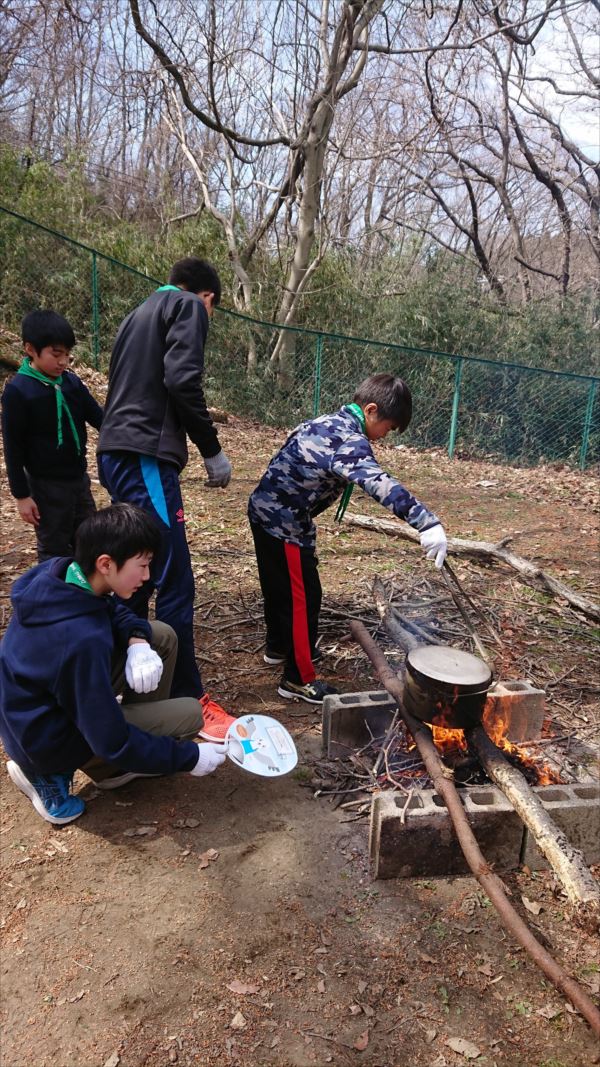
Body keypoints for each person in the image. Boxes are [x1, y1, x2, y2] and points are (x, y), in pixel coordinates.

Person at [0, 504, 227, 826]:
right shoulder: (79, 640)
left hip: (32, 711)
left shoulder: (63, 573)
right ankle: (48, 774)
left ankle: (117, 764)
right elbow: (110, 738)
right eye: (142, 566)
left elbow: (108, 610)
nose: (147, 577)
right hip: (43, 738)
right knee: (189, 713)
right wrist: (189, 757)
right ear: (106, 563)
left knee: (158, 636)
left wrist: (136, 642)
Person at [248, 373, 448, 705]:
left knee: (278, 585)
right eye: (389, 426)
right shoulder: (348, 441)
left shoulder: (325, 422)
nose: (386, 435)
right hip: (286, 525)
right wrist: (426, 523)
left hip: (263, 510)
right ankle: (298, 679)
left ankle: (278, 647)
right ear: (371, 410)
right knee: (304, 599)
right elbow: (380, 484)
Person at [97, 256, 233, 738]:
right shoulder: (187, 306)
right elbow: (180, 381)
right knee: (174, 577)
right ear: (208, 297)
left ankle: (135, 689)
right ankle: (188, 699)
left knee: (138, 575)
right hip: (145, 457)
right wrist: (212, 450)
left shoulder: (137, 313)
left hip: (116, 452)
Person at [1, 309, 103, 561]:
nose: (63, 362)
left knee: (89, 540)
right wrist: (22, 496)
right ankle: (55, 597)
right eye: (56, 355)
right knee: (54, 547)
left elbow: (100, 419)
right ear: (30, 349)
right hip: (45, 486)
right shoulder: (19, 392)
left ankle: (87, 596)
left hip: (79, 480)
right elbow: (13, 449)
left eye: (67, 355)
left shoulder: (71, 383)